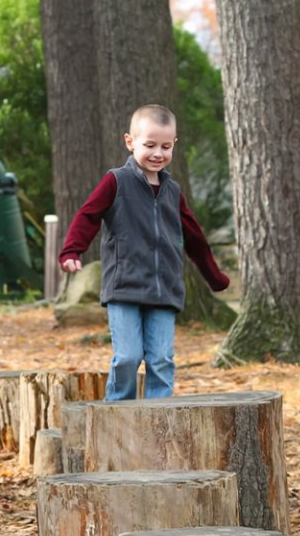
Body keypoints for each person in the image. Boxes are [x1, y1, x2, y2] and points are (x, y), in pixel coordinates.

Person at [58, 104, 230, 401]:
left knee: (161, 360)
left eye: (166, 146)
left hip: (164, 290)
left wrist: (214, 277)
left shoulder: (172, 190)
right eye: (149, 145)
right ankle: (117, 416)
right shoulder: (116, 181)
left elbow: (194, 237)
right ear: (130, 142)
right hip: (124, 287)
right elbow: (88, 215)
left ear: (174, 144)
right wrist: (72, 250)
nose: (158, 154)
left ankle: (157, 424)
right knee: (127, 357)